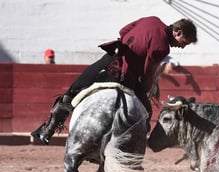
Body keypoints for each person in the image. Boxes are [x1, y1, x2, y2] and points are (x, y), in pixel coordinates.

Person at [31, 16, 197, 145]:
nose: (182, 47)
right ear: (178, 32)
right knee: (145, 114)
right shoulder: (162, 47)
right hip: (126, 76)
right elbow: (147, 73)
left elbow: (123, 30)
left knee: (74, 89)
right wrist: (146, 91)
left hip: (110, 58)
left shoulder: (152, 19)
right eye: (184, 43)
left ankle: (47, 130)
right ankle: (124, 147)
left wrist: (129, 47)